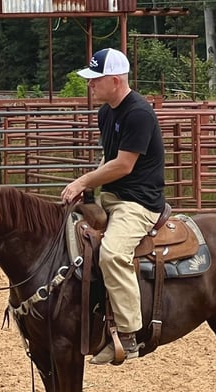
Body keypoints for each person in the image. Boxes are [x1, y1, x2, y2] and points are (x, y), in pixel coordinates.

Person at [61, 48, 166, 365]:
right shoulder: (106, 112)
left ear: (116, 81)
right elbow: (109, 158)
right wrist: (90, 189)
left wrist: (83, 182)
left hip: (138, 202)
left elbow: (123, 165)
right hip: (113, 196)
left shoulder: (138, 114)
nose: (90, 84)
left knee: (112, 254)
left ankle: (130, 334)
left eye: (96, 79)